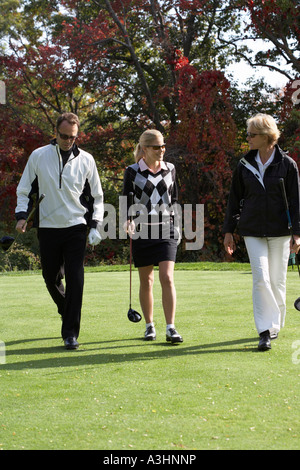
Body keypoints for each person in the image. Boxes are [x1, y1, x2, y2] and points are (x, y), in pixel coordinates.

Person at [15, 112, 104, 350]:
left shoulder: (86, 160)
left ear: (77, 136)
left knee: (75, 278)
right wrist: (22, 216)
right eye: (64, 136)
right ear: (56, 133)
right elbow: (24, 190)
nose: (68, 141)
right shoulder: (38, 156)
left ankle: (70, 333)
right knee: (50, 277)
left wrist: (95, 224)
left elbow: (97, 196)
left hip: (76, 226)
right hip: (48, 227)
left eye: (72, 137)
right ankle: (67, 310)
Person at [223, 113, 300, 351]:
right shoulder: (244, 163)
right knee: (261, 278)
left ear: (267, 137)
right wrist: (228, 231)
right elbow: (234, 200)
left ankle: (275, 325)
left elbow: (297, 202)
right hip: (252, 230)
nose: (247, 138)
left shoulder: (287, 165)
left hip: (280, 231)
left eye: (251, 135)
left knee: (277, 280)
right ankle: (264, 330)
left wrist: (298, 234)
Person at [122, 129, 183, 343]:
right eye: (157, 147)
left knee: (166, 277)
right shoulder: (132, 171)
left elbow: (174, 199)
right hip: (142, 230)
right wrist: (127, 220)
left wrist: (178, 226)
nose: (161, 150)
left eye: (163, 146)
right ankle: (149, 326)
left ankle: (171, 327)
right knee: (146, 281)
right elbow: (126, 200)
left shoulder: (171, 169)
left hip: (166, 228)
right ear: (145, 148)